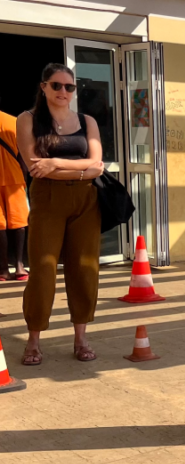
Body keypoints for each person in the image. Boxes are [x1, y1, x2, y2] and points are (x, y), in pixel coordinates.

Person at [17, 63, 105, 365]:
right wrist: (81, 170)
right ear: (44, 87)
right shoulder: (27, 120)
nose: (63, 92)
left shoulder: (86, 120)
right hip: (48, 200)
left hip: (86, 200)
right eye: (56, 85)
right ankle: (33, 339)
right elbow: (35, 168)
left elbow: (97, 162)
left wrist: (55, 163)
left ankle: (81, 338)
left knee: (84, 269)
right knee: (42, 270)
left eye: (69, 87)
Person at [1, 102, 28, 282]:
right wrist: (24, 179)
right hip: (14, 179)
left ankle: (2, 270)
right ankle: (19, 266)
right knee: (18, 223)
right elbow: (24, 156)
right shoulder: (14, 122)